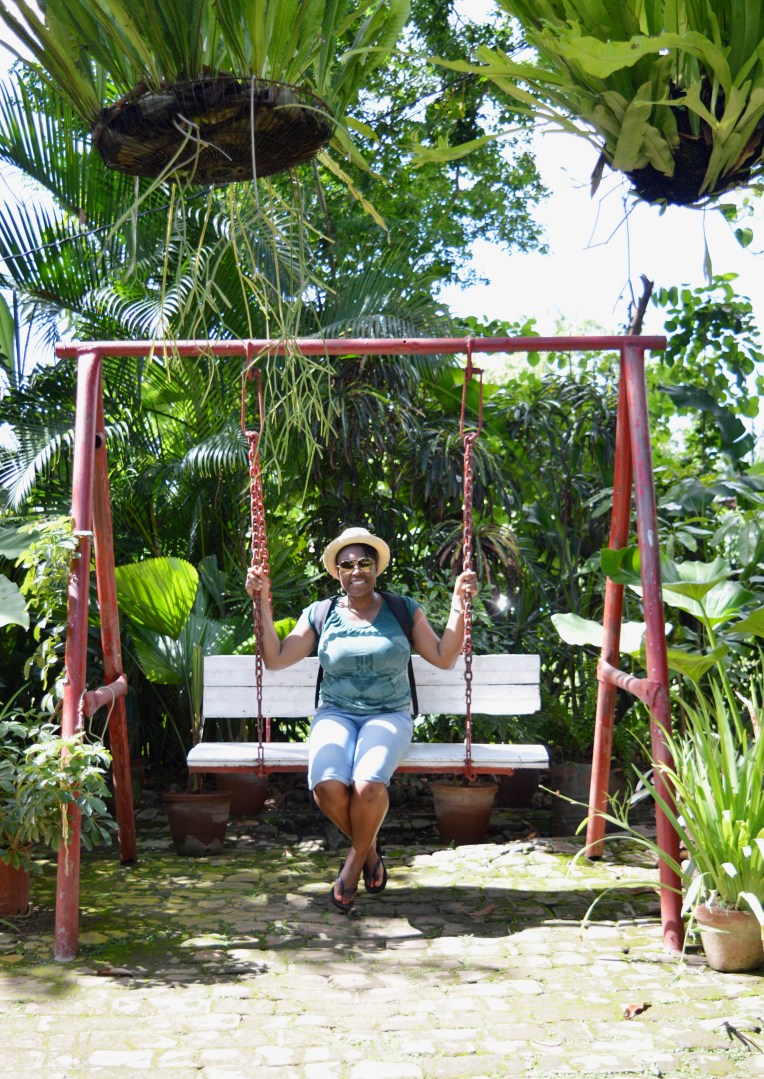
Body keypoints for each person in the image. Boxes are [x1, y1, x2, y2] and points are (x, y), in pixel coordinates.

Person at [245, 526, 478, 914]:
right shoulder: (321, 614)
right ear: (337, 572)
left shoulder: (402, 609)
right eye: (347, 564)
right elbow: (276, 658)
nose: (357, 570)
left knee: (368, 783)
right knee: (326, 786)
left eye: (364, 563)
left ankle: (353, 866)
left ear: (376, 568)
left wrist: (459, 602)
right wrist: (262, 602)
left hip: (388, 715)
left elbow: (444, 657)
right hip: (336, 713)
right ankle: (370, 851)